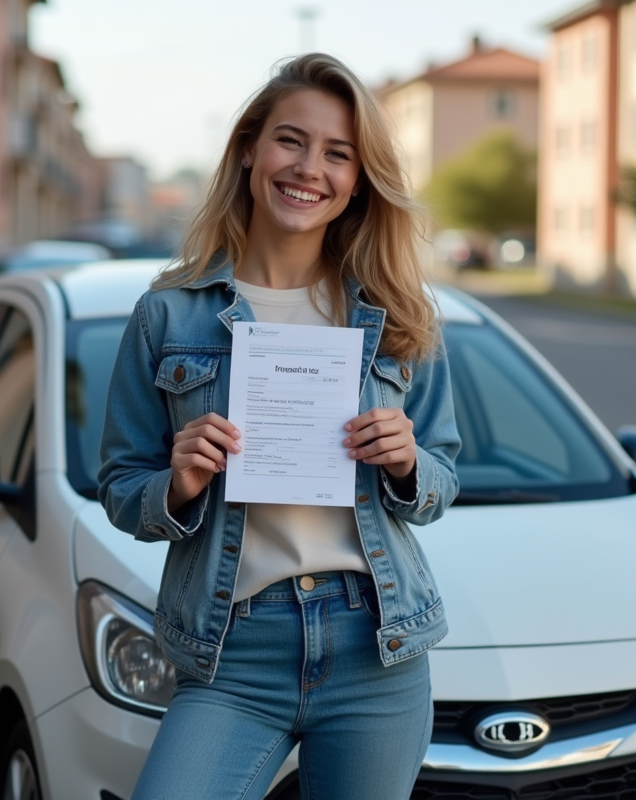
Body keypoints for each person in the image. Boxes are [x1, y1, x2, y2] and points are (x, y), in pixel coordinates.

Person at [97, 52, 460, 800]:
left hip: (375, 645)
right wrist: (181, 480)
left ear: (358, 179)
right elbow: (121, 488)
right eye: (291, 140)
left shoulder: (398, 313)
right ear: (248, 150)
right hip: (233, 647)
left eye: (338, 153)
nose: (310, 168)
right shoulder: (167, 315)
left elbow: (442, 479)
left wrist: (407, 462)